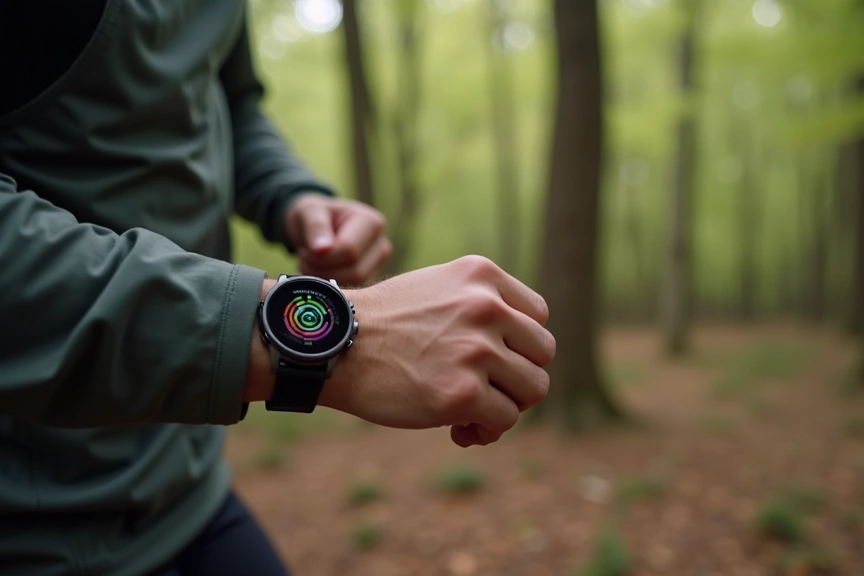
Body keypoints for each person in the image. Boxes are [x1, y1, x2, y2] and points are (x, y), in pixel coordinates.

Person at [0, 2, 555, 575]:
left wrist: (293, 197)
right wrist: (345, 343)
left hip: (184, 485)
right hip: (29, 525)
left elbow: (224, 100)